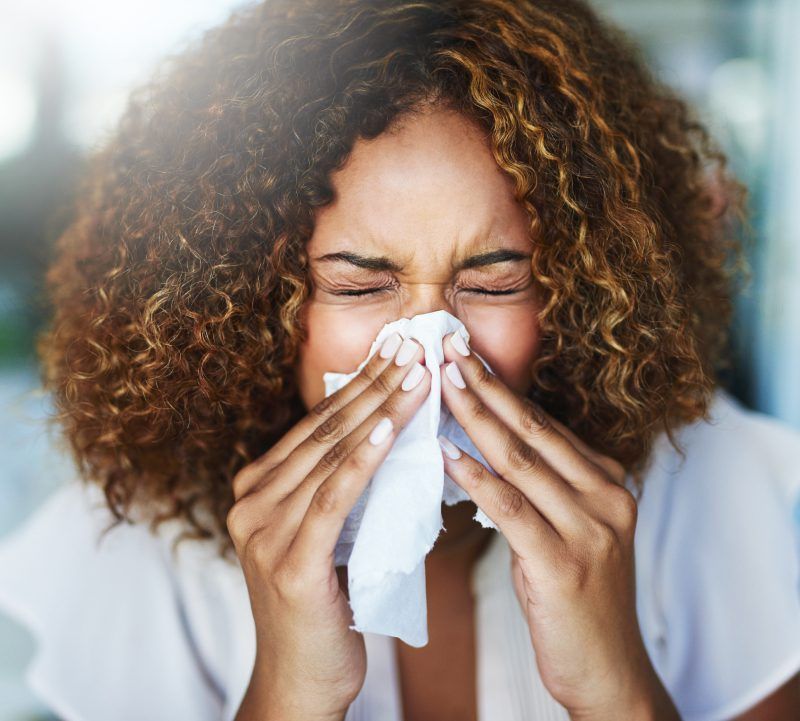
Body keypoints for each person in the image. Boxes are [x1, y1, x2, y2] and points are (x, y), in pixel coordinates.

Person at [0, 0, 798, 719]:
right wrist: (290, 693)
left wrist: (614, 688)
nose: (428, 348)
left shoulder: (703, 484)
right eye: (358, 286)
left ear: (577, 295)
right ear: (242, 305)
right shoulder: (142, 546)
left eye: (492, 281)